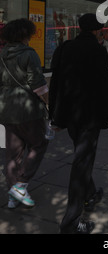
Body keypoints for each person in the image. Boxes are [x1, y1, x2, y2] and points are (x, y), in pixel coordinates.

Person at [49, 13, 108, 234]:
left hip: (70, 116)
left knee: (82, 157)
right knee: (81, 164)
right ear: (96, 30)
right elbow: (105, 85)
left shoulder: (64, 48)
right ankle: (71, 222)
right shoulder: (98, 51)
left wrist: (55, 116)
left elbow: (56, 83)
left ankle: (90, 195)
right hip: (90, 116)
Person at [0, 19, 49, 209]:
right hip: (27, 108)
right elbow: (37, 83)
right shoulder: (29, 54)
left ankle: (13, 196)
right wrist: (49, 102)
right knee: (39, 143)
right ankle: (20, 184)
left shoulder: (2, 54)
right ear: (25, 35)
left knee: (13, 153)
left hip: (5, 107)